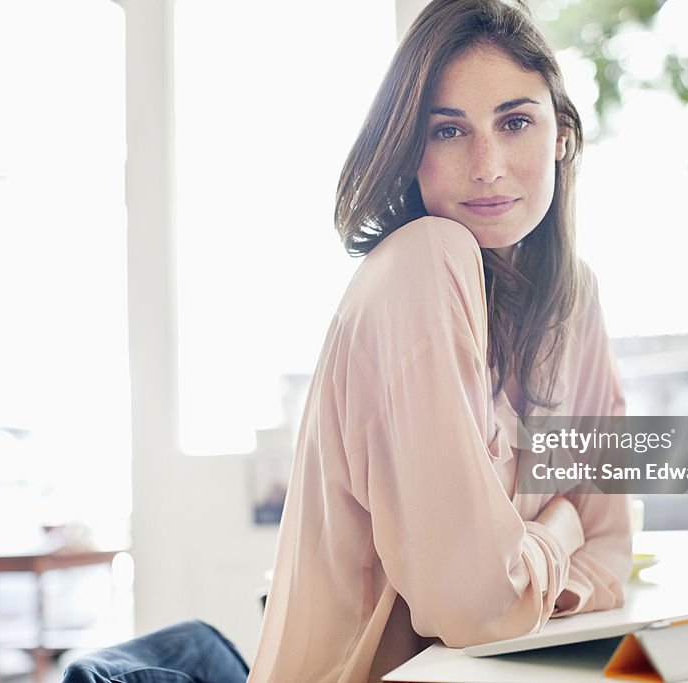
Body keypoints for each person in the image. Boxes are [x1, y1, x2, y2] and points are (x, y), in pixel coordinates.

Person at [249, 1, 630, 682]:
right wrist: (562, 528)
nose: (486, 166)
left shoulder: (574, 296)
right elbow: (481, 607)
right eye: (448, 131)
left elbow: (615, 547)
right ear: (410, 149)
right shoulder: (425, 261)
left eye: (514, 122)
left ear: (563, 136)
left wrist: (536, 563)